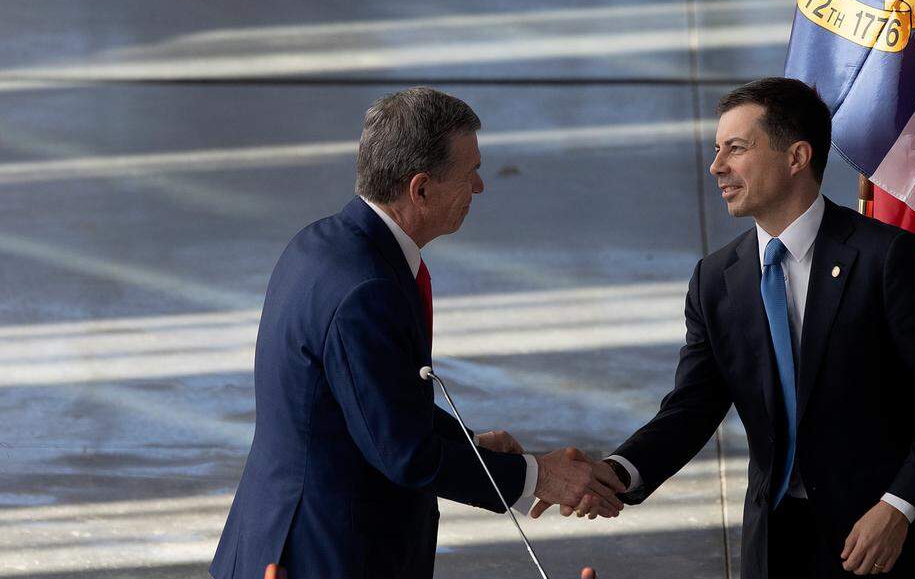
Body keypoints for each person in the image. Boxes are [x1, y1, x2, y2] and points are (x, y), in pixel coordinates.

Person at [536, 78, 915, 578]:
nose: (716, 167)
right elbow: (693, 406)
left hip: (892, 541)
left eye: (736, 148)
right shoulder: (716, 279)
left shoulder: (886, 259)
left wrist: (900, 505)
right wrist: (617, 472)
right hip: (780, 545)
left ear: (796, 157)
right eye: (716, 150)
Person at [212, 87, 624, 579]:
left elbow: (373, 401)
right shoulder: (367, 289)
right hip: (324, 555)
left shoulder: (323, 245)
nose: (480, 187)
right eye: (470, 171)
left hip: (283, 536)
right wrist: (540, 477)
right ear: (421, 188)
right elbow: (402, 452)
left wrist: (469, 445)